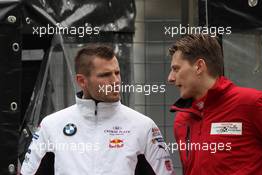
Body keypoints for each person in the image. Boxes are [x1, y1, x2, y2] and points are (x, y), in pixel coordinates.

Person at [21, 44, 175, 175]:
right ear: (82, 81)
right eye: (105, 75)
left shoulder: (143, 126)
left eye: (117, 73)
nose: (115, 81)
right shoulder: (51, 125)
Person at [167, 34, 262, 175]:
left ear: (199, 66)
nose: (170, 78)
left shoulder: (251, 104)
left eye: (176, 69)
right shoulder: (182, 120)